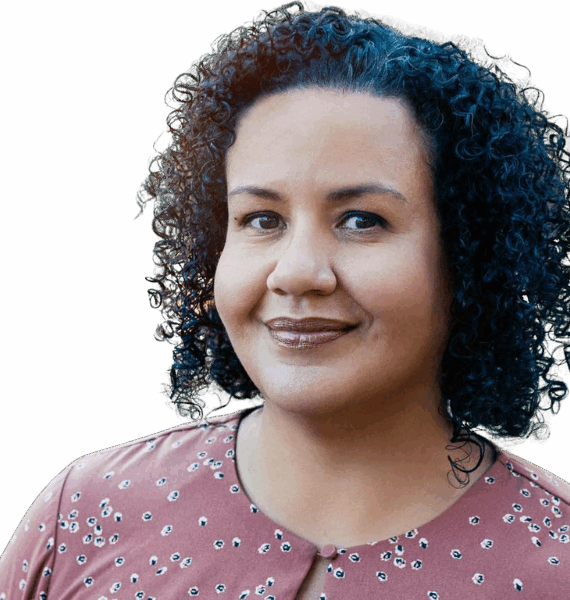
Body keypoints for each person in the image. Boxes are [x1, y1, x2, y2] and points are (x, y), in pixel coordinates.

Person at [2, 4, 570, 598]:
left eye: (361, 220)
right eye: (261, 219)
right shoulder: (86, 514)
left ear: (470, 255)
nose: (296, 273)